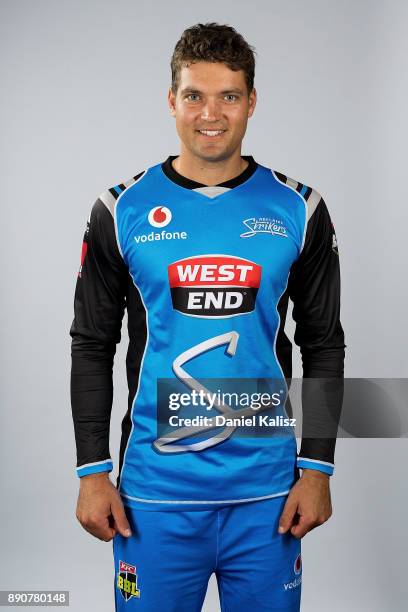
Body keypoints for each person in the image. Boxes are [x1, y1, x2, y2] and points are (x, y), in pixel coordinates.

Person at [70, 22, 346, 612]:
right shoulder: (120, 209)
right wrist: (92, 471)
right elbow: (92, 344)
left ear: (251, 102)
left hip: (270, 496)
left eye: (228, 95)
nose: (210, 113)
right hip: (155, 495)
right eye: (194, 95)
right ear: (172, 101)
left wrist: (318, 467)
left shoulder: (299, 208)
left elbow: (324, 343)